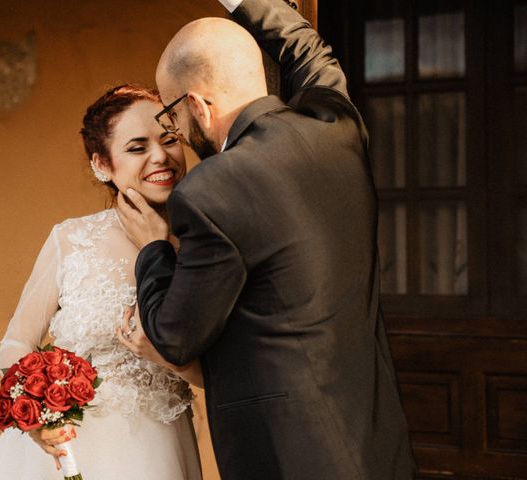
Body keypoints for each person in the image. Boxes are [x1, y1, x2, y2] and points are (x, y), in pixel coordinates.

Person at [116, 0, 416, 478]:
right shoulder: (336, 128)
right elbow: (310, 51)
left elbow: (174, 336)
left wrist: (154, 247)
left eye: (171, 113)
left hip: (289, 457)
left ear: (196, 105)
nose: (174, 129)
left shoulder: (210, 191)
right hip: (376, 442)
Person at [0, 84, 203, 480]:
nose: (160, 156)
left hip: (156, 453)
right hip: (66, 451)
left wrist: (167, 357)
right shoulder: (71, 240)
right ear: (102, 164)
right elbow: (16, 342)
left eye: (169, 139)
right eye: (137, 148)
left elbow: (221, 372)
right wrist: (40, 419)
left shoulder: (205, 246)